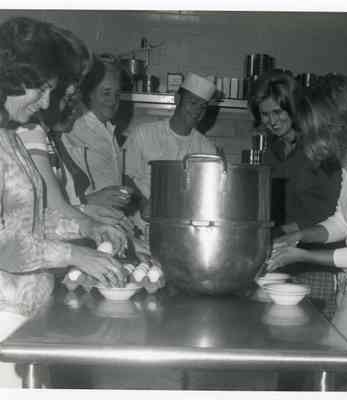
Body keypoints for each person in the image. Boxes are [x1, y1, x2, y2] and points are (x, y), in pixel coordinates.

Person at [0, 17, 126, 387]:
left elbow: (29, 220)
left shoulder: (9, 136)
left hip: (24, 314)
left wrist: (87, 227)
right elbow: (6, 247)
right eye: (40, 89)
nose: (47, 102)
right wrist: (76, 255)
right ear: (10, 76)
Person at [267, 74, 347, 377]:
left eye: (317, 129)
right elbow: (341, 222)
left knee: (334, 379)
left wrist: (303, 256)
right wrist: (300, 237)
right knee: (327, 377)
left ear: (340, 123)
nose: (313, 138)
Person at [250, 71, 342, 318]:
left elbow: (335, 210)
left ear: (294, 109)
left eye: (278, 112)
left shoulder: (319, 148)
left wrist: (287, 231)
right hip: (284, 261)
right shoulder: (272, 152)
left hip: (317, 261)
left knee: (313, 333)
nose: (272, 121)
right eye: (265, 114)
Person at [123, 72, 217, 240]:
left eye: (203, 107)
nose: (197, 111)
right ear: (177, 99)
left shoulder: (207, 149)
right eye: (193, 103)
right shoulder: (144, 134)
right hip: (139, 230)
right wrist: (142, 203)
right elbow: (124, 175)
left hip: (183, 234)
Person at [61, 55, 142, 213]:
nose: (113, 101)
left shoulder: (109, 131)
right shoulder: (72, 130)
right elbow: (63, 194)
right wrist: (93, 200)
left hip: (110, 223)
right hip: (84, 221)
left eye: (117, 94)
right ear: (89, 92)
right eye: (106, 93)